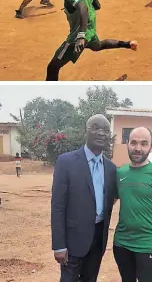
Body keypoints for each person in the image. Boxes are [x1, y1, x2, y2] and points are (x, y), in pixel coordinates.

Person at [51, 114, 118, 282]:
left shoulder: (111, 168)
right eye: (95, 128)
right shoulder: (66, 162)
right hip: (73, 239)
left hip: (98, 238)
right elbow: (58, 206)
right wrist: (59, 245)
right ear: (85, 131)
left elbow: (112, 198)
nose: (101, 133)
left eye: (105, 130)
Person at [46, 0, 138, 80]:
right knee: (98, 46)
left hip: (78, 37)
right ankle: (127, 44)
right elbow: (97, 5)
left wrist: (81, 36)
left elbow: (83, 8)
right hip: (90, 30)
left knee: (53, 67)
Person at [114, 127, 152, 282]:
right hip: (121, 243)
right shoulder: (120, 173)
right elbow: (108, 203)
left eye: (143, 143)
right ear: (127, 144)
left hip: (148, 245)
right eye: (133, 143)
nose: (137, 148)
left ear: (151, 147)